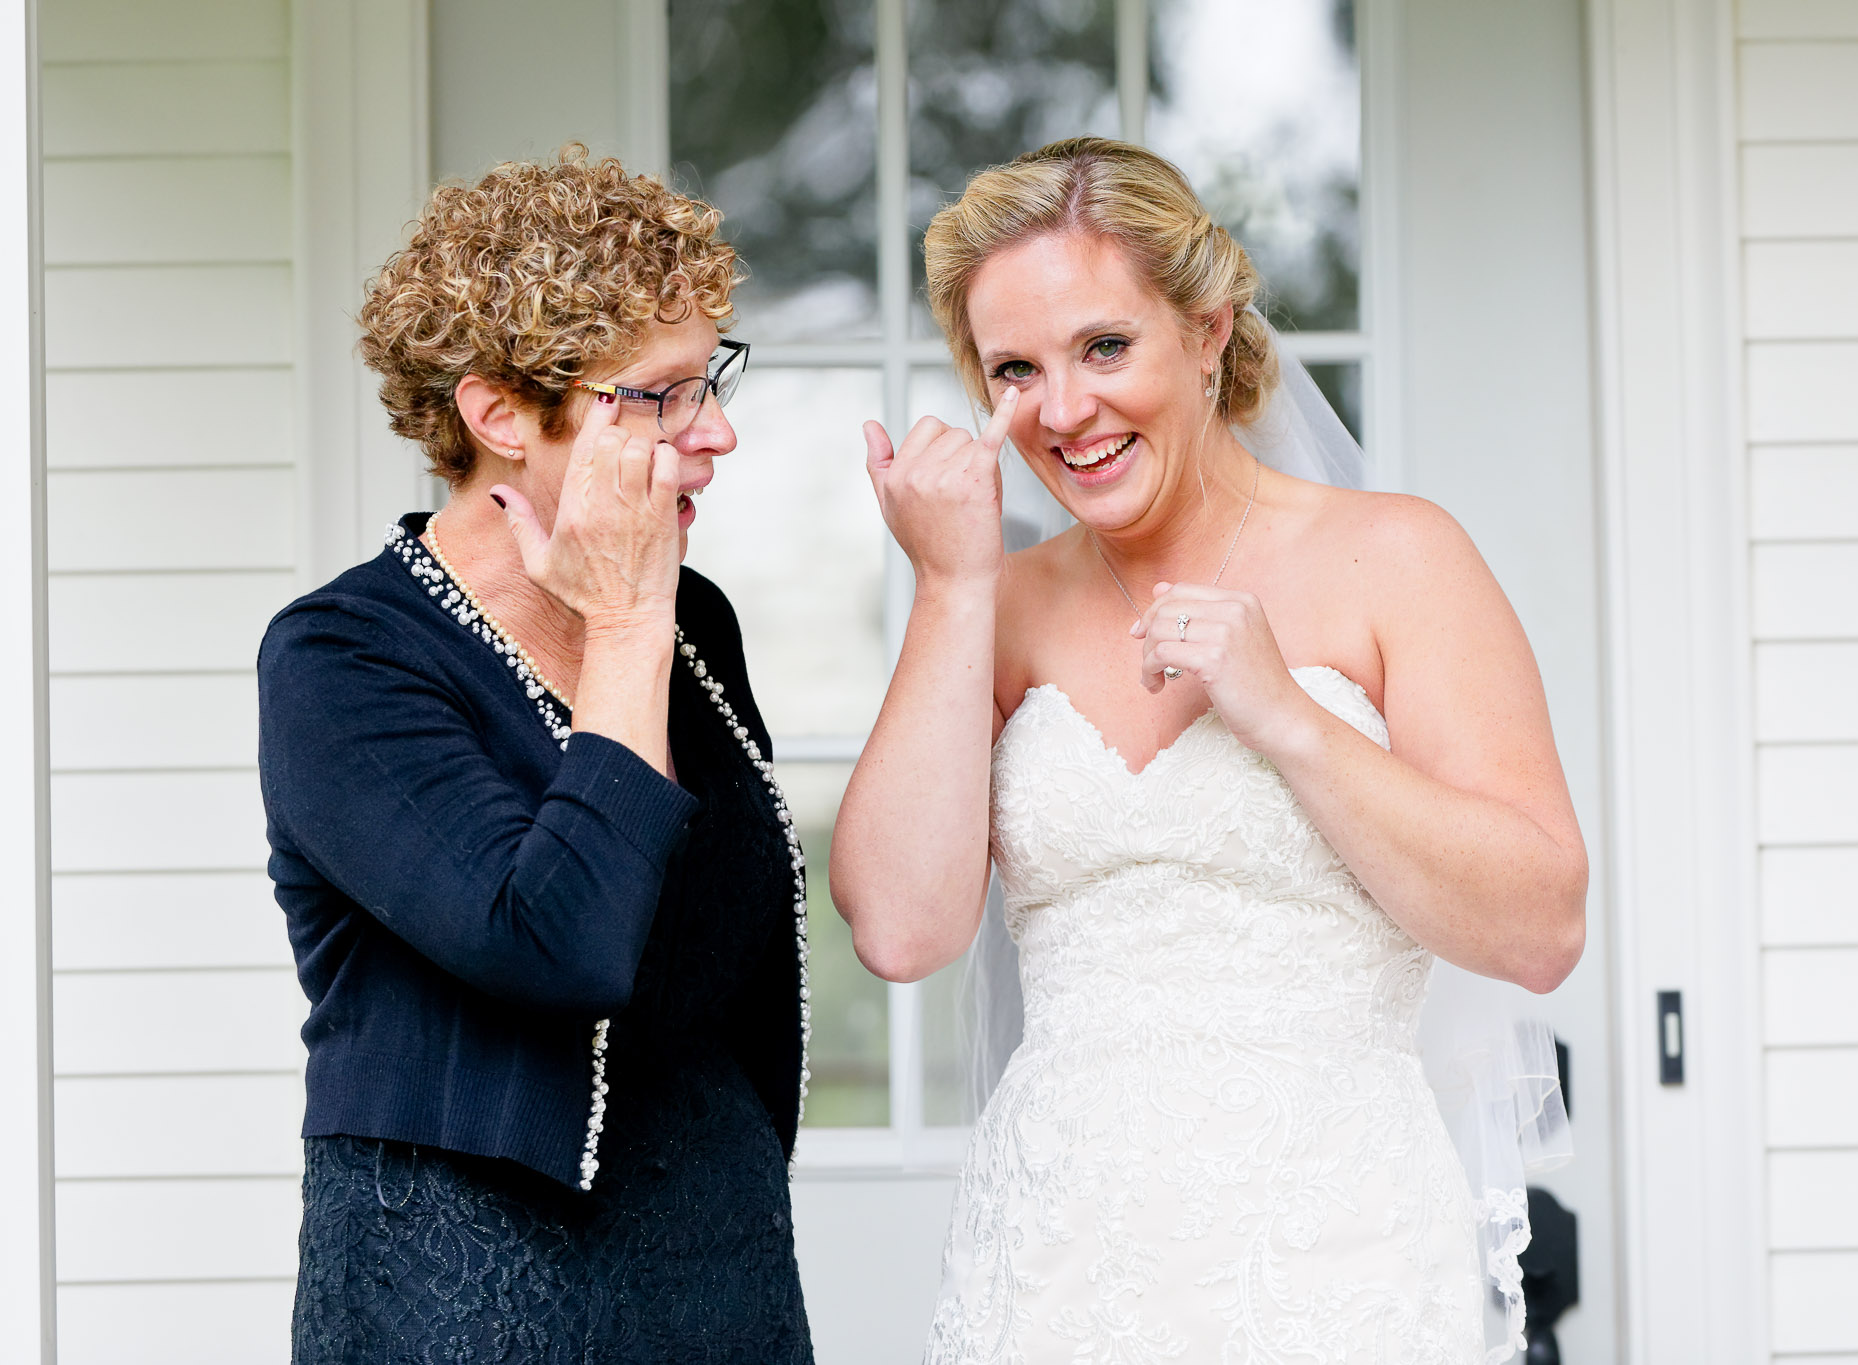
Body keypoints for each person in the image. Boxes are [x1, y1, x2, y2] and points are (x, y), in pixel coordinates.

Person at [831, 137, 1587, 1362]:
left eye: (1105, 347)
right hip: (1057, 1255)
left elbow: (1539, 927)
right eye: (1016, 369)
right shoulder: (997, 602)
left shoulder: (1396, 558)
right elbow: (903, 933)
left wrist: (1283, 715)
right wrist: (950, 586)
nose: (1064, 410)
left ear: (1207, 330)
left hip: (1335, 1250)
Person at [257, 150, 813, 1363]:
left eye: (708, 378)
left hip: (715, 1249)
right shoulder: (340, 661)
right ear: (498, 413)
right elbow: (550, 941)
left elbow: (738, 949)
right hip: (455, 1269)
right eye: (657, 396)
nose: (712, 432)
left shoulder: (694, 615)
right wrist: (622, 627)